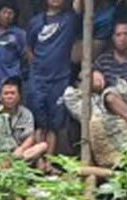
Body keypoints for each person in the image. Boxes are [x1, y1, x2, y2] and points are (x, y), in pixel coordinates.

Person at [25, 0, 81, 148]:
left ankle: (49, 161)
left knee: (55, 123)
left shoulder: (70, 19)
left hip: (60, 77)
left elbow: (80, 6)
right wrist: (38, 67)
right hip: (38, 78)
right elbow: (29, 48)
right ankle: (38, 161)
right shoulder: (36, 21)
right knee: (38, 121)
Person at [0, 77, 49, 161]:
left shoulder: (26, 113)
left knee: (42, 146)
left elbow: (30, 138)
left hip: (18, 154)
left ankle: (12, 164)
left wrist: (19, 150)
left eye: (13, 93)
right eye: (6, 93)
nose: (9, 97)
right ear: (0, 97)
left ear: (19, 96)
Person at [0, 2, 27, 102]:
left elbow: (25, 59)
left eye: (10, 13)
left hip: (10, 86)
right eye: (4, 12)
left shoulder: (19, 35)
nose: (7, 16)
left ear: (15, 16)